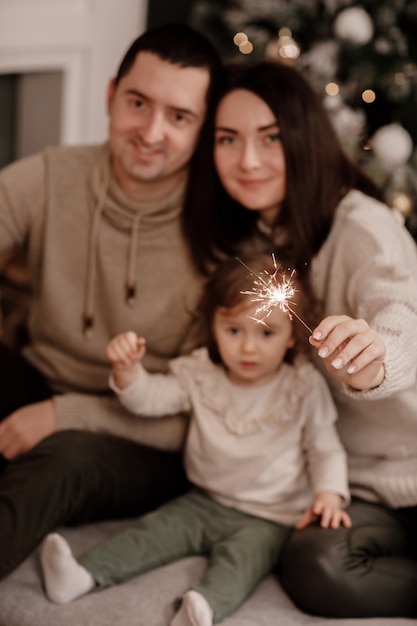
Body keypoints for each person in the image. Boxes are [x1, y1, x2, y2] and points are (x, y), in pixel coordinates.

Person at [183, 59, 417, 618]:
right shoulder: (249, 238)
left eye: (270, 139)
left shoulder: (365, 227)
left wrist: (377, 358)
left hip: (406, 466)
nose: (248, 161)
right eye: (228, 139)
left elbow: (401, 311)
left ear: (305, 139)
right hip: (347, 482)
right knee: (315, 567)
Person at [0, 23, 222, 579]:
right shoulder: (53, 175)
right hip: (38, 378)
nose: (150, 131)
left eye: (179, 117)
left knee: (60, 462)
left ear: (202, 128)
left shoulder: (222, 234)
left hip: (146, 433)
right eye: (138, 102)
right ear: (109, 96)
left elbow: (204, 416)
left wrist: (62, 415)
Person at [40, 253, 350, 625]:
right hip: (204, 499)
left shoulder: (301, 386)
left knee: (241, 563)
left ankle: (203, 606)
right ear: (214, 326)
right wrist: (127, 372)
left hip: (270, 515)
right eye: (234, 330)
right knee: (152, 531)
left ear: (292, 338)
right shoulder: (201, 375)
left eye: (266, 332)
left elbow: (324, 446)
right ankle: (82, 575)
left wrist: (329, 494)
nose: (248, 348)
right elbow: (149, 400)